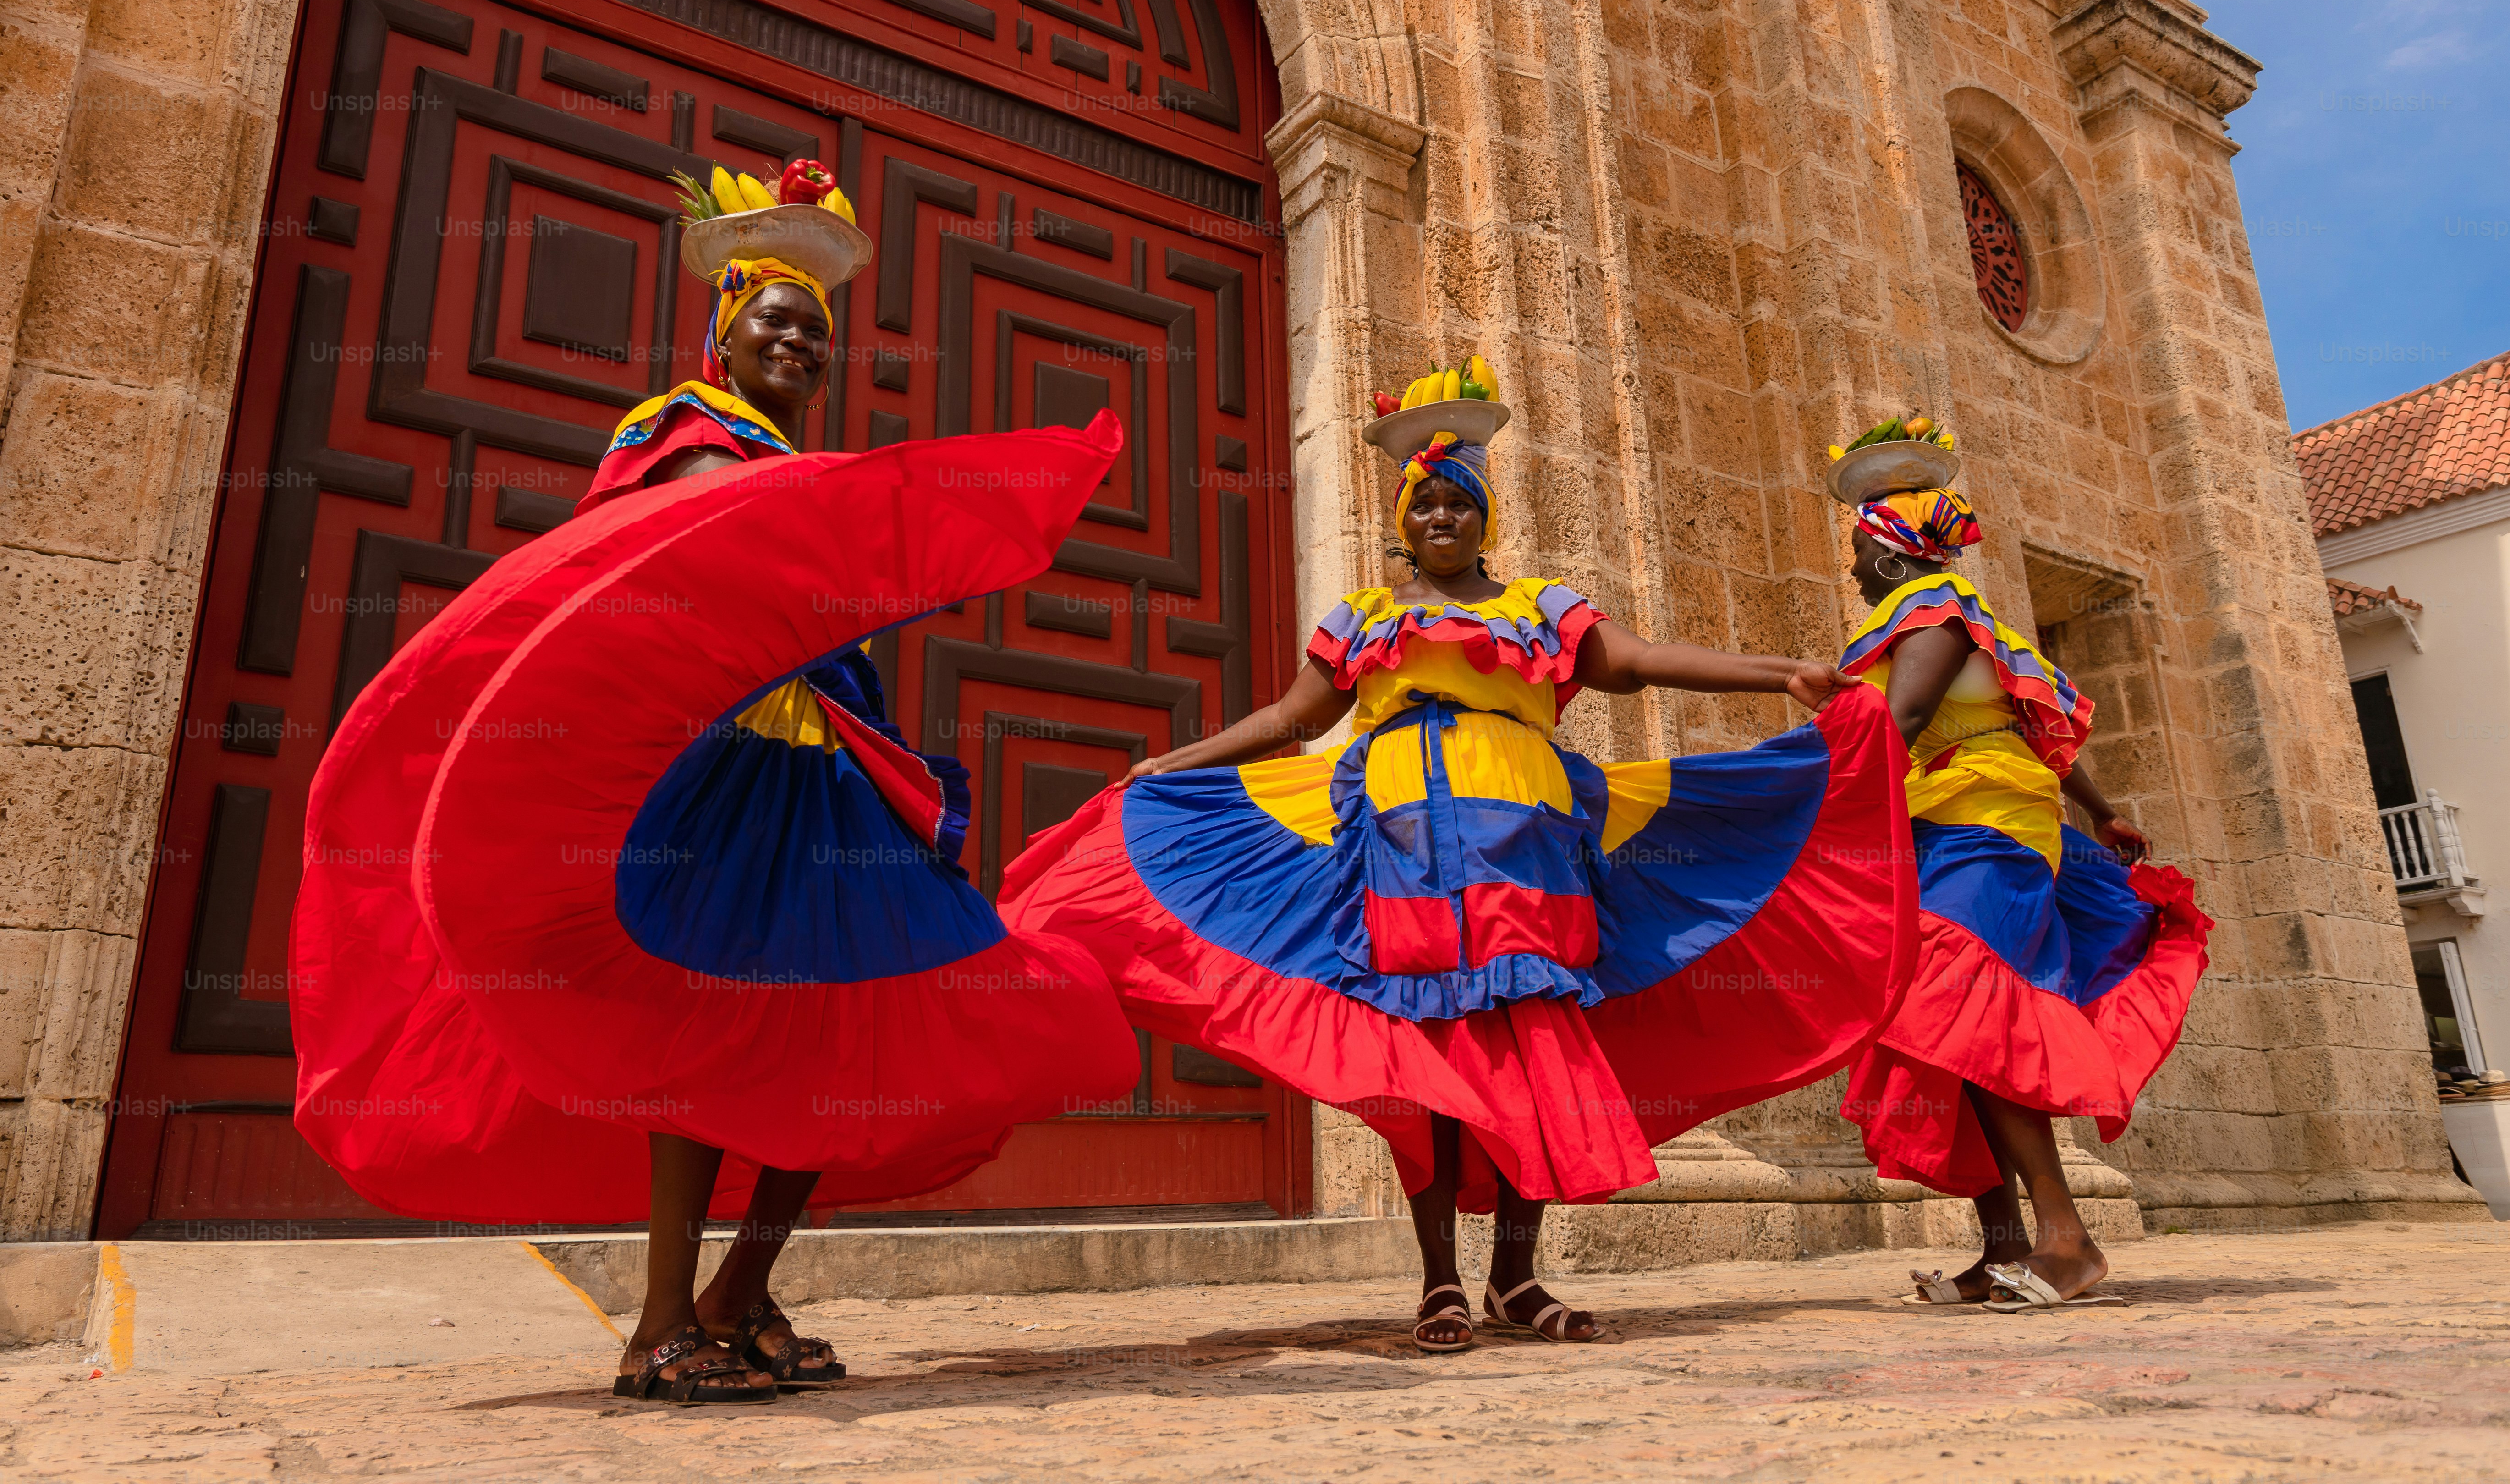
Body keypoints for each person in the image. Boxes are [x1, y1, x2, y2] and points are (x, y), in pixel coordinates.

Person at [293, 212, 1140, 1406]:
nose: (797, 343)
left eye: (813, 332)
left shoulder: (797, 469)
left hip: (832, 768)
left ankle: (741, 1290)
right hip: (728, 773)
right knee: (699, 1027)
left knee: (873, 1018)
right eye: (774, 323)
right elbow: (679, 557)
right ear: (722, 337)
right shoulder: (684, 435)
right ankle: (655, 1326)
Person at [1003, 378, 1918, 1351]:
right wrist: (1170, 762)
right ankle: (1442, 1280)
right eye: (1426, 502)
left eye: (1460, 502)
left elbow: (1640, 660)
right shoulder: (1365, 617)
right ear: (1404, 519)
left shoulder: (1541, 606)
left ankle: (1516, 1278)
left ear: (1484, 517)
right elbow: (1289, 719)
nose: (1442, 514)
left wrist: (1780, 674)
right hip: (1403, 853)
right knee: (1429, 1061)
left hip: (1530, 847)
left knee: (1533, 1048)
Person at [1829, 471, 2211, 1312]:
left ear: (1893, 555)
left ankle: (2067, 1241)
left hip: (1987, 827)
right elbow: (2040, 737)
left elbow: (1899, 728)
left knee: (1967, 1005)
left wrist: (1790, 808)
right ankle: (2004, 1242)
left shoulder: (1933, 620)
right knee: (1944, 1028)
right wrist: (2105, 817)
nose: (1852, 567)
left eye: (1859, 549)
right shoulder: (1956, 623)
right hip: (1948, 823)